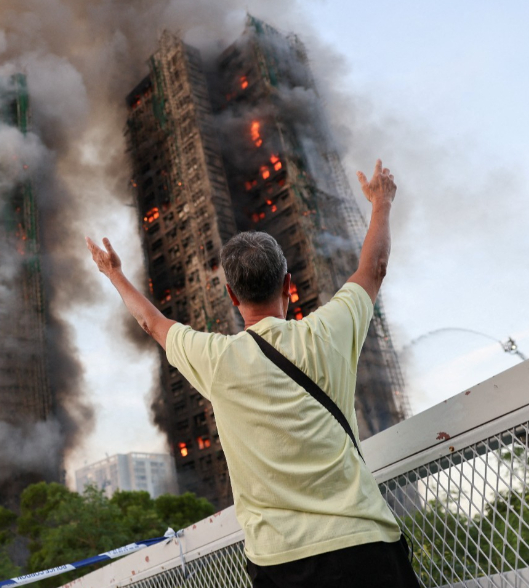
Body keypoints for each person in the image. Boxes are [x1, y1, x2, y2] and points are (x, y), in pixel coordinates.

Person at [86, 160, 420, 587]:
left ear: (230, 295)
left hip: (280, 565)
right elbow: (372, 268)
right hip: (365, 548)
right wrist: (381, 203)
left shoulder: (216, 359)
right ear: (288, 285)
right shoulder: (329, 332)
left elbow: (152, 322)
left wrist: (113, 272)